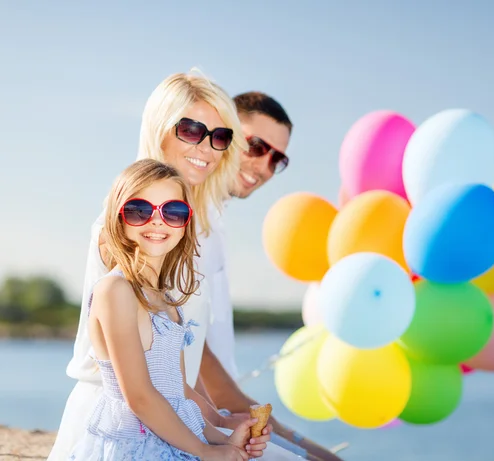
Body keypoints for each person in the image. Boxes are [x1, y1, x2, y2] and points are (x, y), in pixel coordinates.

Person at [49, 72, 304, 461]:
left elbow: (175, 374)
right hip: (121, 427)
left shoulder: (192, 233)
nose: (207, 147)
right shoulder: (125, 227)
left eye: (221, 137)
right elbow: (138, 392)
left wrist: (216, 426)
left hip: (175, 417)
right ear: (161, 128)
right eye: (191, 129)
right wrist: (206, 447)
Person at [68, 158, 269, 460]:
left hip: (172, 439)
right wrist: (203, 450)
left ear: (185, 223)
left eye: (173, 211)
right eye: (140, 210)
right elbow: (139, 396)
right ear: (118, 218)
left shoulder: (166, 301)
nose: (158, 221)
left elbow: (179, 394)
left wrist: (224, 438)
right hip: (134, 448)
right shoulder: (116, 291)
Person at [194, 92, 344, 461]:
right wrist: (303, 444)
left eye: (278, 158)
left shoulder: (213, 219)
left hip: (220, 417)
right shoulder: (184, 218)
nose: (264, 166)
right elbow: (194, 353)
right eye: (256, 146)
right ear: (222, 134)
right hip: (201, 422)